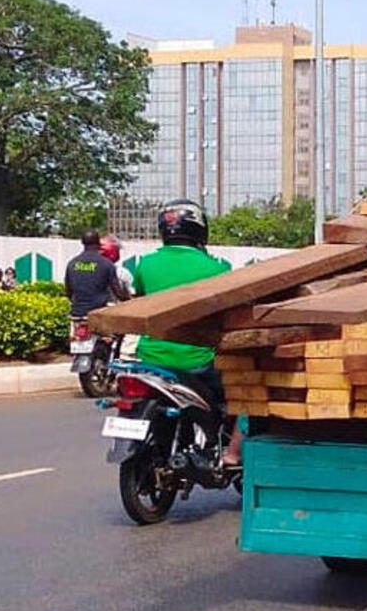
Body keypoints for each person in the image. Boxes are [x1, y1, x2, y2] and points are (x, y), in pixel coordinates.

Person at [132, 200, 242, 466]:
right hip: (196, 363)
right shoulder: (217, 269)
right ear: (199, 230)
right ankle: (231, 454)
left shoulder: (144, 265)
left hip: (150, 359)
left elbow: (139, 298)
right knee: (243, 397)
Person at [64, 231, 127, 318]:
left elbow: (68, 291)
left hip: (77, 314)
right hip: (98, 314)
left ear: (82, 242)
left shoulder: (72, 263)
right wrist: (129, 301)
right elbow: (118, 292)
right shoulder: (106, 264)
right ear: (98, 243)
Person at [100, 234, 139, 359]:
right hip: (114, 311)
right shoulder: (121, 273)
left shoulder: (89, 269)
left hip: (89, 310)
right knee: (135, 330)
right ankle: (127, 357)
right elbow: (132, 293)